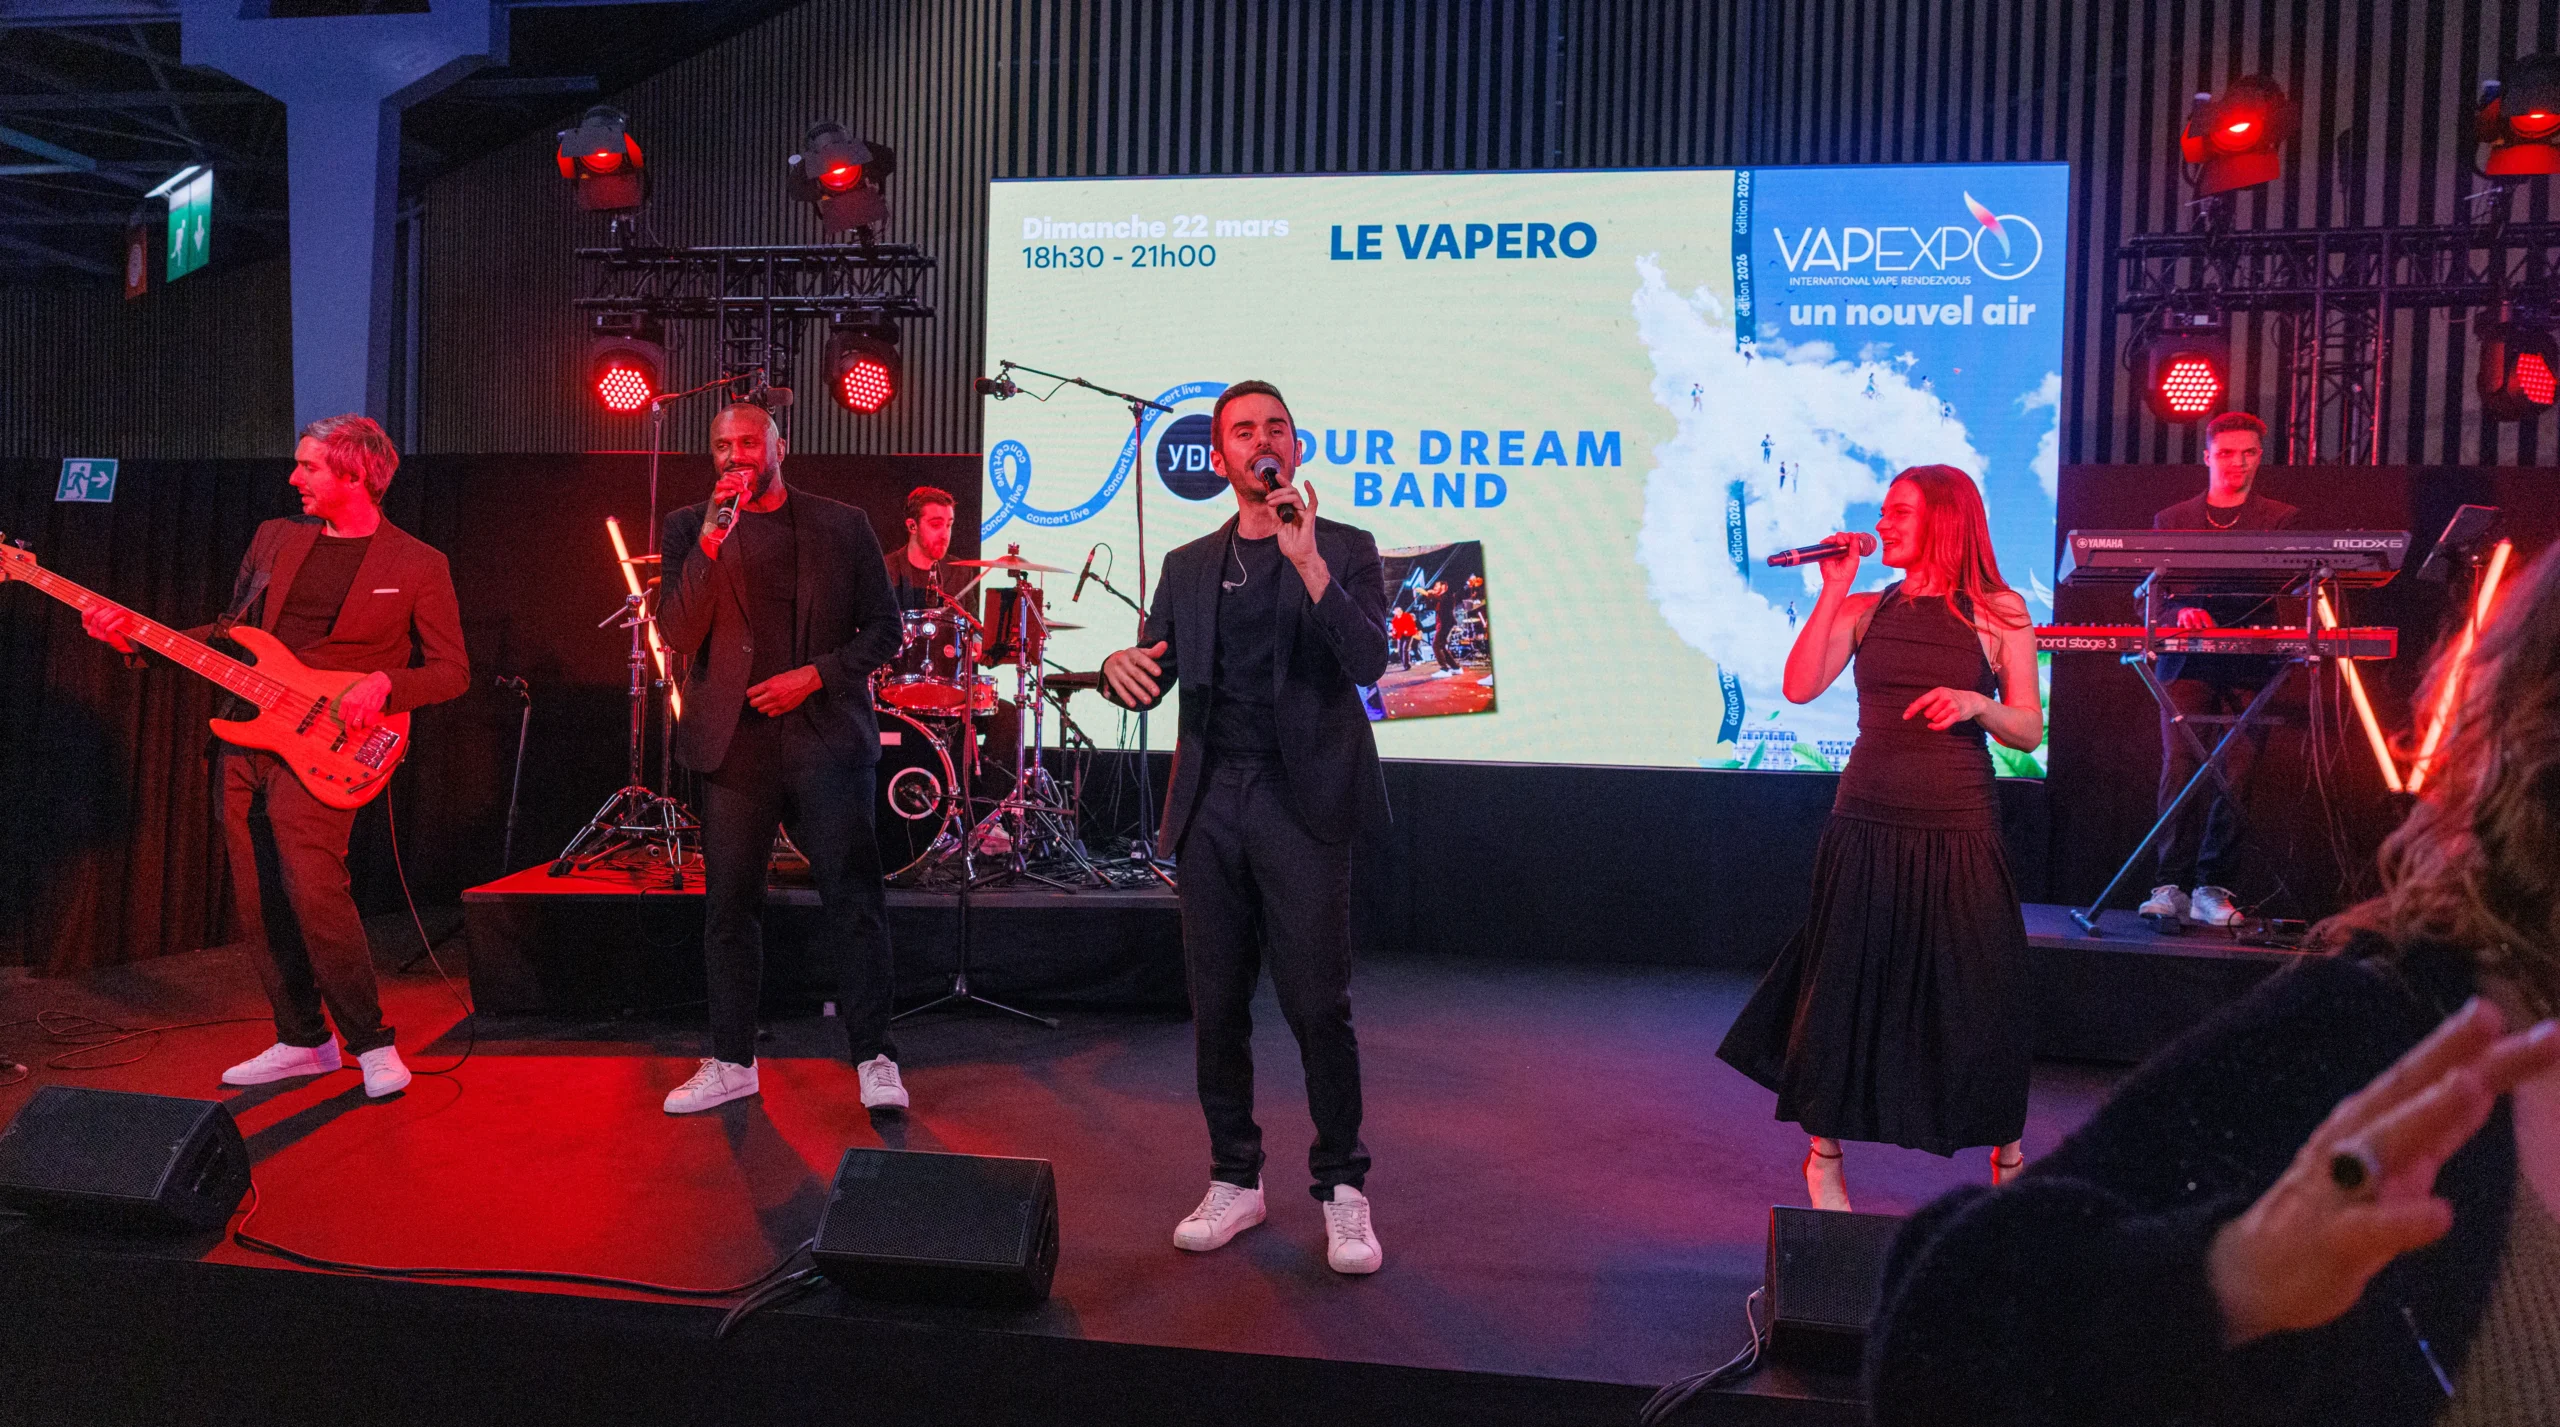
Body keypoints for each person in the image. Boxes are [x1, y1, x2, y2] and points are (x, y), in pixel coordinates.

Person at [1868, 541, 2560, 1427]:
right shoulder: (2377, 1032)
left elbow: (2023, 726)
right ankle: (2174, 880)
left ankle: (2203, 881)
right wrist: (2225, 1279)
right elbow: (1944, 1334)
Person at [81, 415, 469, 1099]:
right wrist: (135, 638)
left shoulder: (417, 563)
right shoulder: (275, 537)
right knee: (258, 896)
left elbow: (451, 672)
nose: (294, 478)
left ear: (355, 474)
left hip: (332, 746)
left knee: (313, 889)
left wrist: (387, 683)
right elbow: (230, 635)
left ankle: (372, 1043)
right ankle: (303, 1040)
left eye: (309, 466)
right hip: (246, 735)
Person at [1096, 379, 1393, 1274]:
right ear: (1220, 456)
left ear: (1296, 448)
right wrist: (1116, 666)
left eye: (1277, 428)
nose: (1262, 441)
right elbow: (1150, 669)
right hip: (1211, 798)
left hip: (1301, 799)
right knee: (1217, 1000)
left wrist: (1309, 563)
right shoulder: (1189, 563)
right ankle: (1235, 1175)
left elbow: (1370, 660)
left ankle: (1343, 1186)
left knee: (1316, 1002)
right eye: (1243, 431)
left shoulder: (1346, 547)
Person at [1716, 465, 2044, 1209]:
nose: (1883, 524)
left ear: (1945, 521)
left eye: (1900, 513)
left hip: (1959, 822)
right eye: (1885, 512)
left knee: (1982, 989)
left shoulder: (1999, 611)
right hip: (1866, 817)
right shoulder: (1868, 608)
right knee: (1844, 984)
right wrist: (1833, 587)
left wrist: (1976, 704)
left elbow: (2028, 726)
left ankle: (2009, 1158)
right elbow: (1800, 686)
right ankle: (1823, 1158)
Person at [652, 402, 907, 1116]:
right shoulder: (690, 527)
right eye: (721, 446)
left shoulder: (841, 523)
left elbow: (885, 629)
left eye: (748, 442)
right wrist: (709, 544)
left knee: (854, 901)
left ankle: (875, 1056)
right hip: (735, 742)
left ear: (779, 448)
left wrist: (815, 676)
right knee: (730, 908)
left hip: (825, 735)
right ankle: (733, 1060)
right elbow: (678, 633)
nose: (734, 455)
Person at [2139, 410, 2302, 932]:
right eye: (2227, 453)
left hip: (2250, 660)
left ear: (2260, 457)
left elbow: (2285, 586)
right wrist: (2179, 611)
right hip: (2186, 659)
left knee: (2238, 773)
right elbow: (2152, 593)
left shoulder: (2280, 518)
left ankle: (2213, 887)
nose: (2238, 462)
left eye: (2248, 453)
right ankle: (2169, 886)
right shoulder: (2173, 519)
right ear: (2208, 456)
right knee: (2181, 766)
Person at [883, 484, 1020, 804]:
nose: (945, 533)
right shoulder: (886, 570)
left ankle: (983, 811)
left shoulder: (959, 574)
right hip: (898, 689)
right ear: (912, 525)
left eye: (949, 524)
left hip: (950, 691)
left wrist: (978, 644)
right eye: (935, 524)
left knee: (1006, 715)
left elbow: (973, 629)